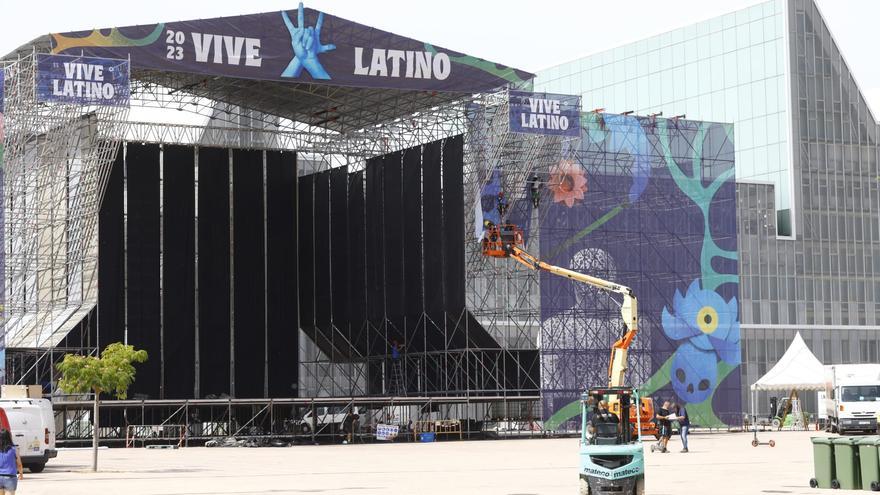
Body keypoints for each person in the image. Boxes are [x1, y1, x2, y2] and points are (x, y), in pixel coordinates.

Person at [0, 429, 23, 494]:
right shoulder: (14, 449)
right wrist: (21, 474)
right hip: (10, 477)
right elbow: (19, 464)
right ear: (9, 437)